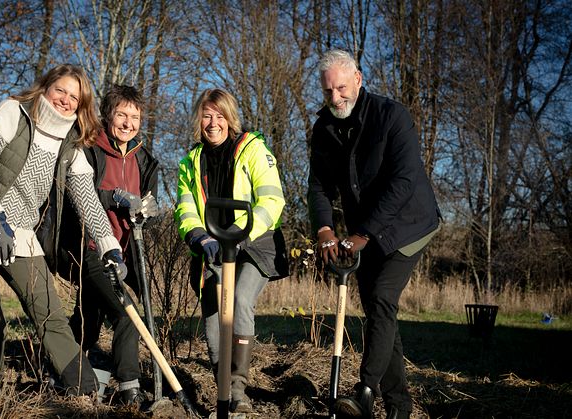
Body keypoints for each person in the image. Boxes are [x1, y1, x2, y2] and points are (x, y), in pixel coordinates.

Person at [0, 64, 127, 396]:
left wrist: (109, 245)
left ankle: (85, 391)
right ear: (45, 88)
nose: (65, 100)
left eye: (74, 97)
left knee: (50, 313)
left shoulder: (71, 145)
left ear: (82, 105)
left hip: (20, 233)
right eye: (60, 90)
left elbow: (88, 201)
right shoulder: (13, 112)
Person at [307, 49, 441, 419]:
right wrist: (324, 229)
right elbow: (318, 187)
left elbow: (404, 181)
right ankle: (399, 407)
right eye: (328, 91)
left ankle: (365, 392)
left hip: (409, 223)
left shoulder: (391, 116)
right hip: (364, 231)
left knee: (382, 297)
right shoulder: (324, 128)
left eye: (342, 88)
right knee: (380, 315)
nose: (336, 98)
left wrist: (364, 232)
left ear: (359, 80)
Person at [174, 88, 289, 414]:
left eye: (219, 115)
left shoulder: (252, 149)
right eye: (207, 115)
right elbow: (186, 210)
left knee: (238, 299)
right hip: (213, 246)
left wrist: (242, 236)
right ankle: (222, 391)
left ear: (230, 118)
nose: (213, 123)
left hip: (255, 243)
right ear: (199, 119)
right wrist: (201, 238)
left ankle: (238, 392)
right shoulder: (191, 162)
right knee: (213, 318)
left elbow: (272, 199)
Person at [55, 84, 159, 405]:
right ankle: (129, 387)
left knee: (90, 314)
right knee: (127, 313)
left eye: (135, 117)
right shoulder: (90, 148)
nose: (128, 123)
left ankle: (65, 372)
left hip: (125, 252)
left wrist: (147, 211)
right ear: (107, 114)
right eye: (122, 115)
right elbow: (76, 193)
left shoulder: (144, 159)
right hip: (90, 247)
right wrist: (113, 198)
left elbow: (147, 206)